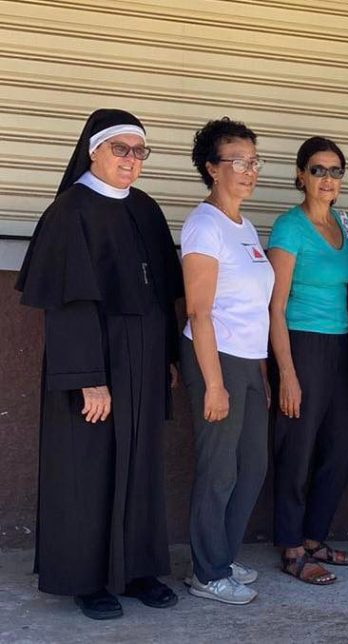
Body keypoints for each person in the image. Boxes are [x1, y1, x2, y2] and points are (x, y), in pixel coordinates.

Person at [16, 108, 183, 620]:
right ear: (93, 150)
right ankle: (86, 579)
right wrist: (89, 378)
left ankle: (135, 570)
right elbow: (68, 305)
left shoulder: (147, 209)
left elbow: (162, 297)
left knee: (140, 467)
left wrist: (169, 359)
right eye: (121, 149)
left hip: (144, 361)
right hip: (96, 361)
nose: (131, 161)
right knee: (88, 469)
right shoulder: (69, 212)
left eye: (139, 151)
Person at [180, 117, 274, 604]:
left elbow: (251, 305)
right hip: (214, 359)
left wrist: (259, 368)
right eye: (238, 161)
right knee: (218, 469)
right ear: (212, 169)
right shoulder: (204, 226)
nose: (249, 169)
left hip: (248, 361)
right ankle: (207, 571)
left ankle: (222, 551)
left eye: (254, 160)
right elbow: (200, 311)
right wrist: (215, 385)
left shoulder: (246, 225)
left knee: (252, 465)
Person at [267, 137, 348, 585]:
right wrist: (286, 372)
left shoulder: (345, 222)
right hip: (300, 344)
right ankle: (290, 546)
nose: (327, 179)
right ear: (300, 175)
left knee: (342, 448)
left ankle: (314, 537)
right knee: (297, 449)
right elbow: (275, 306)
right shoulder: (288, 228)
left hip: (340, 344)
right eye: (318, 170)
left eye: (336, 171)